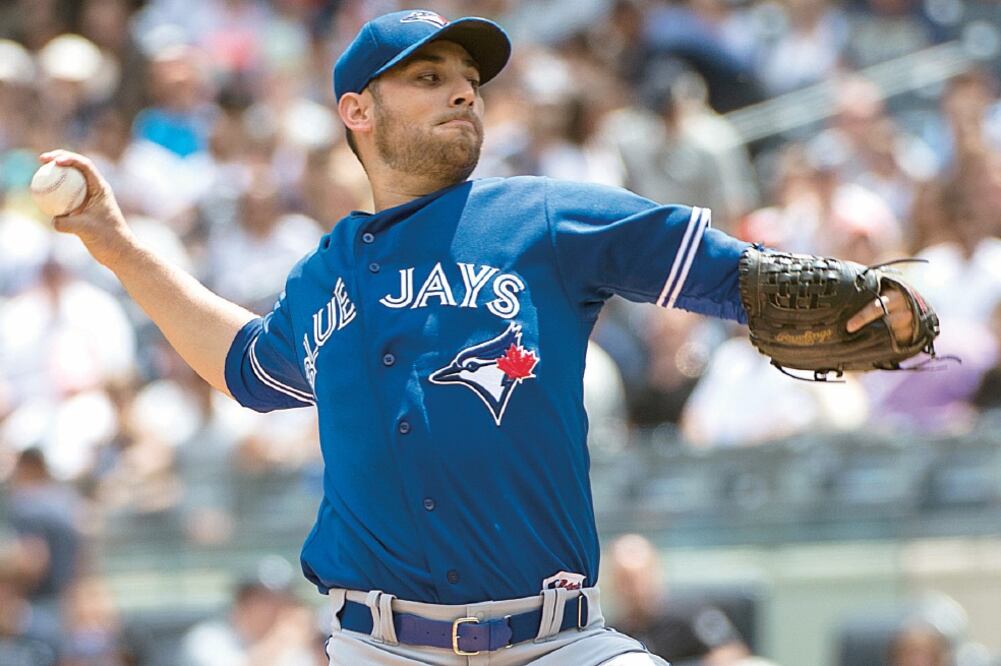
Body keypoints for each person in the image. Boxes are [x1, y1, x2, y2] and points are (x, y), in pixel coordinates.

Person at [40, 8, 921, 665]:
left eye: (466, 76)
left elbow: (730, 274)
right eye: (426, 77)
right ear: (357, 110)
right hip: (380, 647)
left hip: (557, 642)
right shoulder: (326, 273)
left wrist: (844, 301)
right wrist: (117, 248)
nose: (463, 88)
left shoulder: (541, 213)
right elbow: (248, 369)